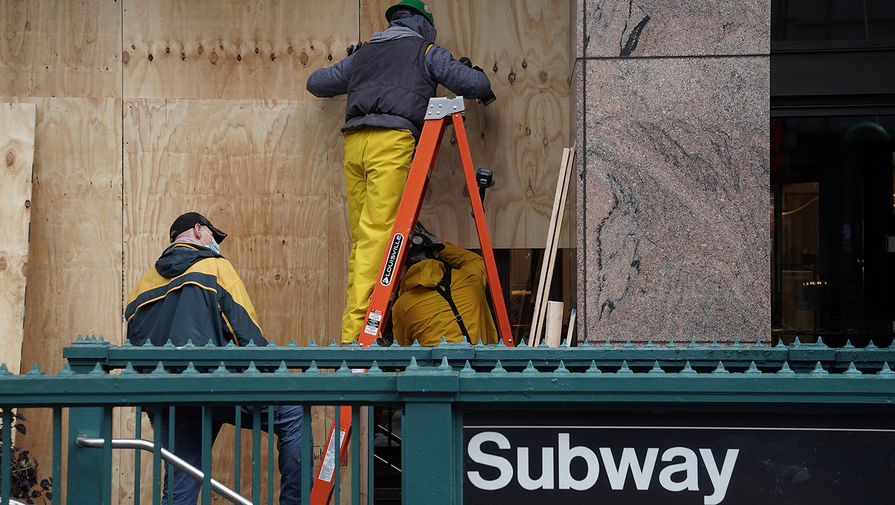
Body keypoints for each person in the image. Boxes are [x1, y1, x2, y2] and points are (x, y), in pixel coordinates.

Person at [306, 0, 496, 344]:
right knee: (379, 237)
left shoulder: (363, 55)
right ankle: (358, 336)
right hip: (390, 145)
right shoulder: (425, 51)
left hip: (353, 146)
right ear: (424, 25)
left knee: (364, 242)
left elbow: (316, 83)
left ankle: (354, 328)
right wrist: (474, 72)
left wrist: (359, 67)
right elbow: (476, 86)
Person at [124, 212, 306, 505]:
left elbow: (135, 349)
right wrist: (272, 378)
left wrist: (152, 405)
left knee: (181, 483)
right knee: (294, 414)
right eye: (213, 235)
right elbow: (245, 331)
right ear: (198, 231)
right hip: (216, 386)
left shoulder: (141, 286)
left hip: (170, 399)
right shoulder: (215, 267)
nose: (216, 243)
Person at [390, 224, 499, 346]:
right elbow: (475, 260)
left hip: (434, 365)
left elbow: (401, 350)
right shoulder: (470, 280)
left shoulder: (402, 306)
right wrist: (440, 247)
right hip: (484, 364)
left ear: (407, 266)